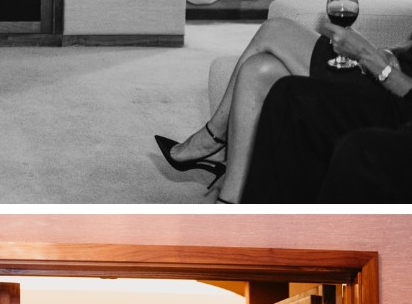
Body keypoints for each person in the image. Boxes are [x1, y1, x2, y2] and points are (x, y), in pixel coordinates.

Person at [155, 11, 412, 202]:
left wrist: (373, 59)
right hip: (391, 72)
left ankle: (213, 137)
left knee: (274, 29)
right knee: (258, 70)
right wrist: (392, 53)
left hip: (395, 99)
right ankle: (230, 203)